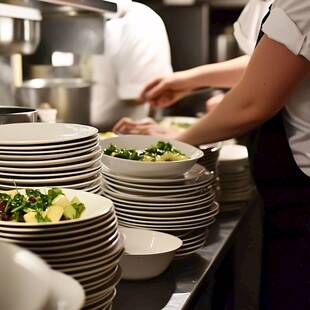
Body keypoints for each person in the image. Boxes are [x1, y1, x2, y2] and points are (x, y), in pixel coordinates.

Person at [117, 1, 310, 309]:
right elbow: (274, 61)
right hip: (289, 199)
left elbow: (254, 101)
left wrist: (172, 146)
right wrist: (187, 81)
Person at [113, 0, 273, 135]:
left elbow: (253, 102)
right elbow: (265, 65)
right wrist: (189, 80)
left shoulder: (293, 6)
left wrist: (180, 137)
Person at [90, 0, 173, 132]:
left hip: (119, 136)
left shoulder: (140, 20)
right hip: (72, 133)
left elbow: (145, 94)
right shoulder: (63, 15)